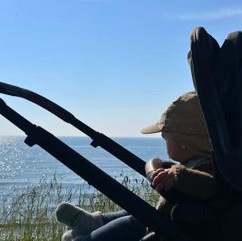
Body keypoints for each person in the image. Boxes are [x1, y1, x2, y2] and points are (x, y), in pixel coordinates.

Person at [55, 91, 217, 241]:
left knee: (132, 222)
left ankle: (88, 239)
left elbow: (209, 185)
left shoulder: (209, 166)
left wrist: (177, 175)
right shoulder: (203, 162)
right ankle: (93, 222)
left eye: (166, 139)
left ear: (184, 143)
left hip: (173, 227)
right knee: (137, 209)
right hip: (172, 219)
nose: (165, 144)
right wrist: (168, 168)